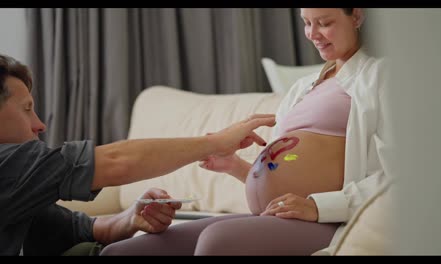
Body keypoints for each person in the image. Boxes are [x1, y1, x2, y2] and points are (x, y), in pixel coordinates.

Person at [100, 8, 389, 256]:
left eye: (324, 22)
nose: (313, 33)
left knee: (216, 242)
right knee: (126, 251)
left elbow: (403, 177)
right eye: (306, 22)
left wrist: (319, 206)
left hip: (330, 222)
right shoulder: (304, 87)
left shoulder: (382, 77)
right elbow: (284, 177)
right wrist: (237, 168)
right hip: (274, 217)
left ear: (357, 16)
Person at [0, 54, 276, 256]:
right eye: (26, 109)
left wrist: (131, 218)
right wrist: (217, 142)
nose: (39, 124)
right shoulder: (8, 166)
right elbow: (116, 162)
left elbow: (85, 228)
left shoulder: (24, 191)